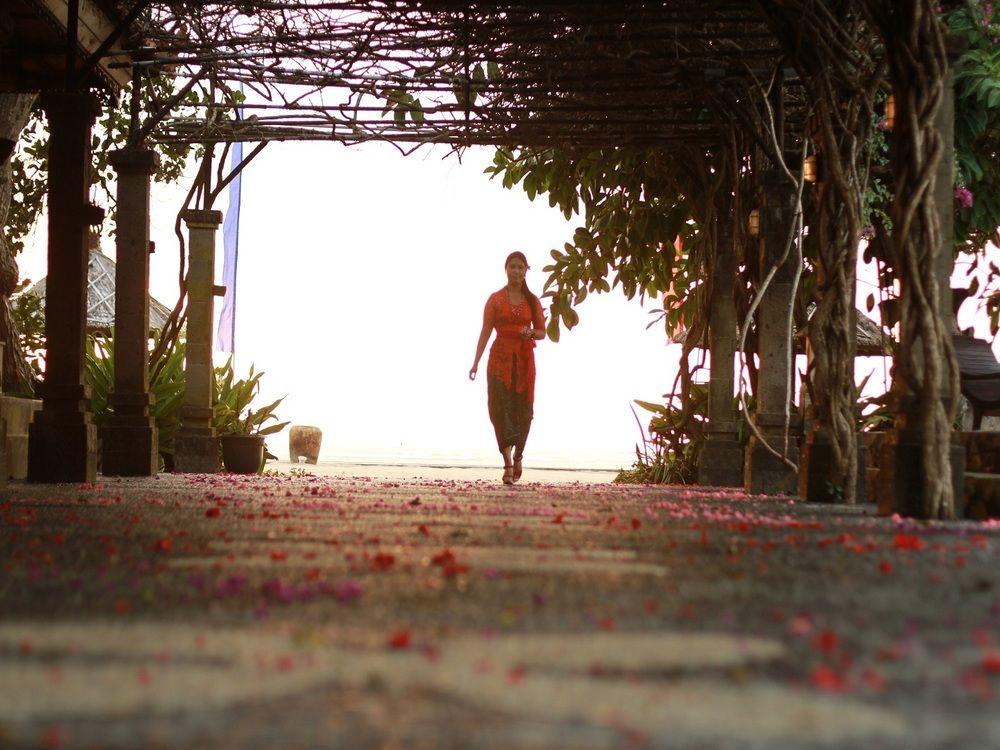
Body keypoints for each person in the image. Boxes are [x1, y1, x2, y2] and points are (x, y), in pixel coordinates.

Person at [469, 251, 546, 484]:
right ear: (506, 269)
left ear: (526, 271)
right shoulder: (494, 299)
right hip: (499, 360)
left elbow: (543, 332)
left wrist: (530, 332)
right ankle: (508, 463)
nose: (516, 271)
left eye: (521, 267)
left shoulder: (533, 301)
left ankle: (519, 454)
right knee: (498, 408)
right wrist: (475, 362)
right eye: (512, 266)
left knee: (523, 411)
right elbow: (485, 331)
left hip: (523, 361)